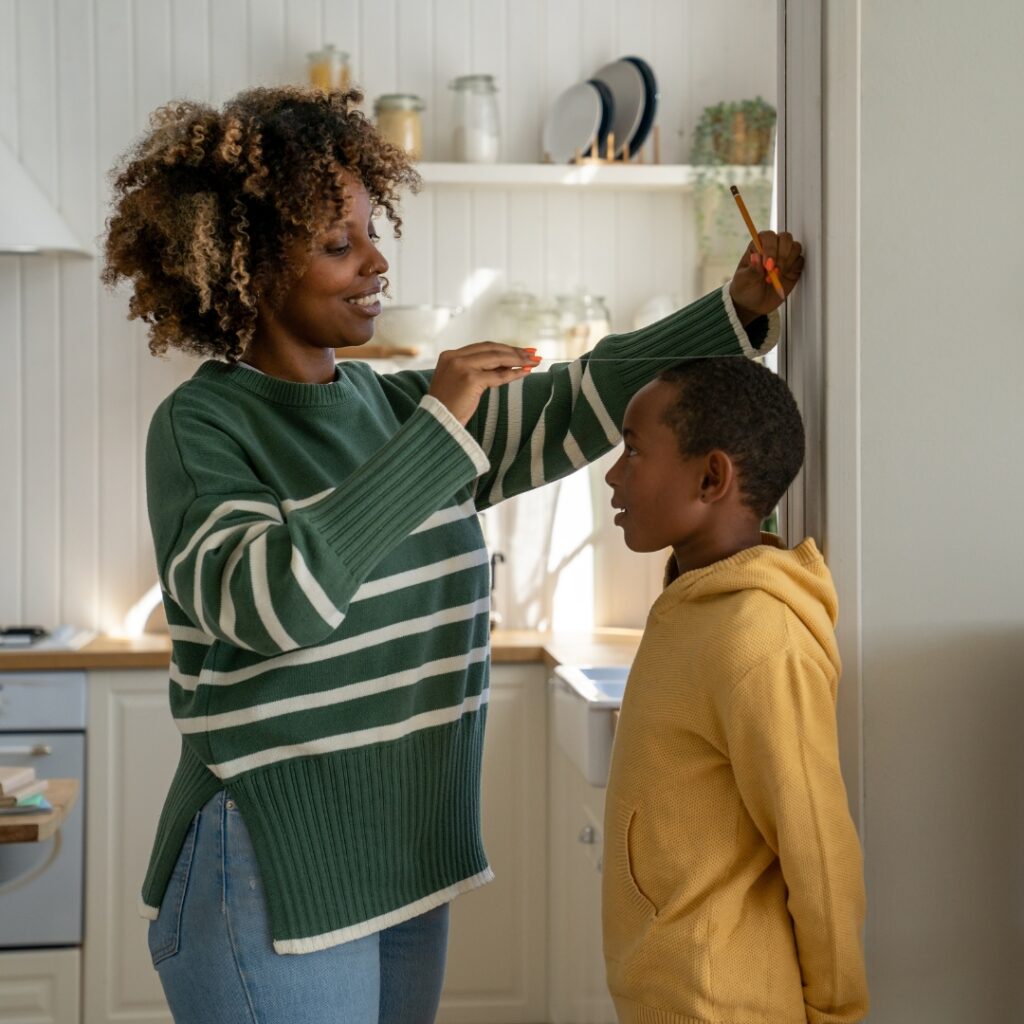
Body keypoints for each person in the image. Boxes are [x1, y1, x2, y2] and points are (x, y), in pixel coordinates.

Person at [101, 84, 803, 1024]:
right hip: (270, 872)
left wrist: (735, 312)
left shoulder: (390, 407)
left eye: (368, 232)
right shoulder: (204, 426)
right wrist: (439, 430)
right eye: (337, 244)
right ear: (251, 267)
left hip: (403, 863)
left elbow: (579, 398)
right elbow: (272, 605)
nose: (375, 260)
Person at [601, 356, 869, 1023]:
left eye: (634, 449)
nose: (613, 473)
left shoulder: (757, 636)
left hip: (721, 1003)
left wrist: (838, 1011)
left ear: (711, 475)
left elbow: (817, 844)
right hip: (669, 991)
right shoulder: (697, 604)